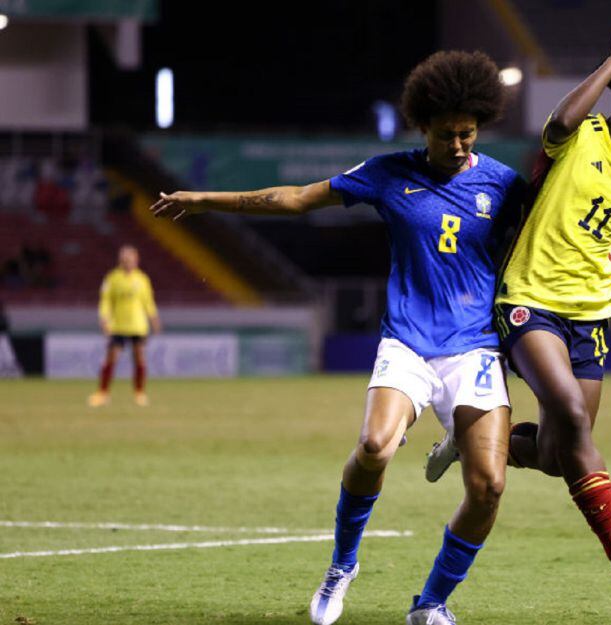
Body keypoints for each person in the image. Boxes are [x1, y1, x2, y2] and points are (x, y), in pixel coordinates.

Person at [152, 50, 526, 625]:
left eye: (468, 134)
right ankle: (341, 566)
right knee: (375, 447)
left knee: (490, 487)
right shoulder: (388, 173)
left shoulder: (501, 184)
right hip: (408, 342)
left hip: (473, 346)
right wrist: (205, 201)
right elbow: (297, 198)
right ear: (422, 125)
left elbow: (564, 239)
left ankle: (430, 605)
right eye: (447, 134)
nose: (458, 145)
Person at [430, 16, 611, 590]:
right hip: (529, 301)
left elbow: (593, 248)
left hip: (590, 315)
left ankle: (468, 437)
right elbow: (557, 120)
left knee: (556, 453)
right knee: (572, 417)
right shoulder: (580, 136)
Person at [88, 245, 161, 407]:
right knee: (111, 358)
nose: (127, 262)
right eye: (124, 259)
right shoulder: (112, 278)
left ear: (136, 260)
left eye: (130, 259)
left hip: (137, 326)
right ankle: (103, 393)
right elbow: (105, 300)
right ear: (120, 260)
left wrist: (154, 319)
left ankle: (139, 393)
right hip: (118, 326)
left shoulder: (142, 279)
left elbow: (148, 302)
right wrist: (104, 318)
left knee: (139, 358)